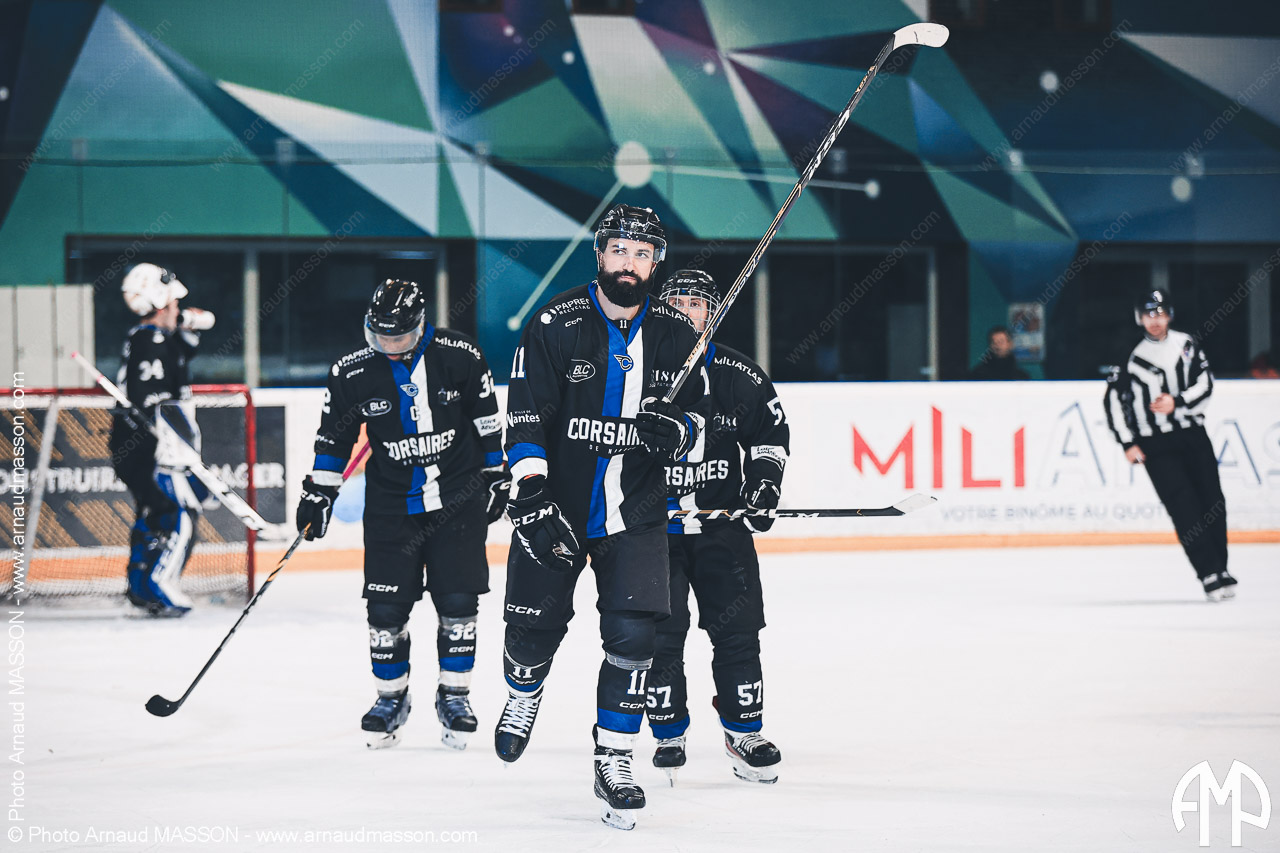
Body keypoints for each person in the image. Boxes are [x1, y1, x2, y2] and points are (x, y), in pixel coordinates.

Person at [495, 204, 709, 830]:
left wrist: (678, 430)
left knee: (634, 640)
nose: (630, 264)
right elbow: (526, 417)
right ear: (600, 253)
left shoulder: (676, 334)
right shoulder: (554, 324)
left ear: (655, 263)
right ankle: (523, 690)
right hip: (555, 508)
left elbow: (699, 419)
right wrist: (530, 488)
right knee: (531, 632)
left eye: (642, 254)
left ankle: (614, 758)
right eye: (620, 250)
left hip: (636, 514)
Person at [297, 279, 510, 750]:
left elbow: (487, 419)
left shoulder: (460, 355)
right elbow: (334, 437)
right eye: (381, 337)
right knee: (385, 609)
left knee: (458, 603)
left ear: (420, 325)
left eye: (399, 337)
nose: (389, 346)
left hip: (458, 498)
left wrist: (497, 473)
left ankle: (454, 697)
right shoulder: (351, 371)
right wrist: (319, 492)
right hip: (391, 506)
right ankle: (390, 697)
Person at [647, 270, 790, 785]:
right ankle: (668, 732)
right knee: (660, 637)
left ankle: (744, 731)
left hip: (721, 528)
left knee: (738, 631)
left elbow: (771, 436)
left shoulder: (739, 373)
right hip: (652, 532)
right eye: (676, 301)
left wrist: (764, 485)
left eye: (696, 302)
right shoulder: (634, 367)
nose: (686, 310)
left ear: (712, 311)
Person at [1103, 288, 1237, 602]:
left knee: (1212, 502)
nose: (1155, 320)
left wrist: (1177, 401)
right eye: (1148, 314)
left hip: (1193, 435)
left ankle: (1221, 567)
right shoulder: (1127, 352)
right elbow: (1113, 402)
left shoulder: (1186, 344)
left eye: (1160, 313)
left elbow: (1205, 383)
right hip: (1155, 443)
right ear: (1139, 317)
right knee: (1183, 507)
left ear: (1170, 315)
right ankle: (1207, 572)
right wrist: (1128, 442)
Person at [109, 263, 216, 617]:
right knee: (176, 512)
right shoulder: (150, 341)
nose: (178, 310)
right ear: (158, 303)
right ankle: (159, 584)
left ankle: (141, 588)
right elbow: (153, 400)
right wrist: (175, 444)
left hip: (142, 447)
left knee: (155, 512)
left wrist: (186, 323)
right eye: (173, 304)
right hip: (145, 448)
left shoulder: (153, 338)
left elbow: (189, 344)